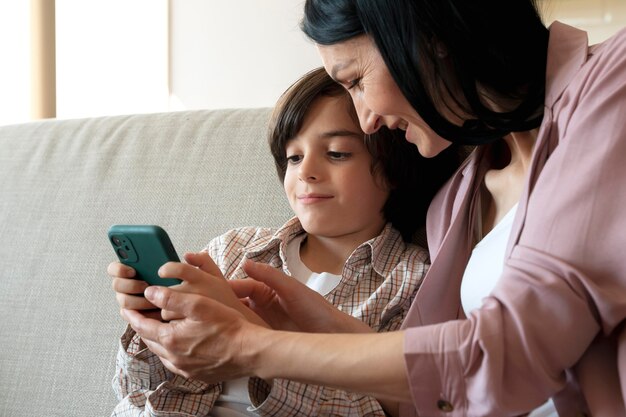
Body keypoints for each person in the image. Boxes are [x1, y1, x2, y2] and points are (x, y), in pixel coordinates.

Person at [120, 0, 626, 415]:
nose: (365, 121)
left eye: (356, 81)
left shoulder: (613, 85)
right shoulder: (456, 201)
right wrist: (296, 329)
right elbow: (435, 393)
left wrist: (249, 347)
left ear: (429, 38)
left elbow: (504, 353)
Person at [108, 67, 460, 416]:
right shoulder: (232, 250)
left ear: (394, 168)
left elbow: (382, 409)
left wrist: (257, 345)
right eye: (293, 156)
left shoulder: (412, 283)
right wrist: (151, 325)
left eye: (337, 153)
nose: (306, 170)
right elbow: (132, 391)